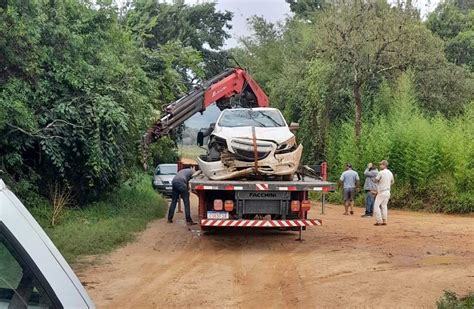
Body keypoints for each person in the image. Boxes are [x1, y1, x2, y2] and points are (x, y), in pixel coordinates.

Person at [373, 160, 394, 226]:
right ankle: (384, 220)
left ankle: (379, 221)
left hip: (382, 191)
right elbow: (392, 182)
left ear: (384, 165)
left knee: (376, 206)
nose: (380, 166)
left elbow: (376, 180)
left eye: (381, 164)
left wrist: (374, 180)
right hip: (388, 191)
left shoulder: (381, 172)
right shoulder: (390, 173)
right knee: (384, 206)